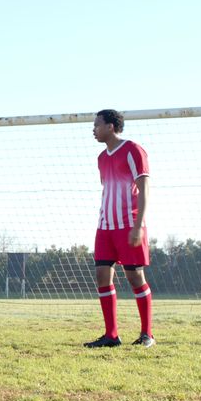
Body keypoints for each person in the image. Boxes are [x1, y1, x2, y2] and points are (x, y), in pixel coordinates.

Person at [84, 108, 155, 348]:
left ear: (110, 126)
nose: (93, 129)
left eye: (97, 125)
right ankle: (111, 335)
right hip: (105, 227)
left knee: (135, 277)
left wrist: (138, 226)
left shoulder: (133, 150)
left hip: (129, 225)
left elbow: (144, 189)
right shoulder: (101, 158)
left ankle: (147, 335)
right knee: (102, 275)